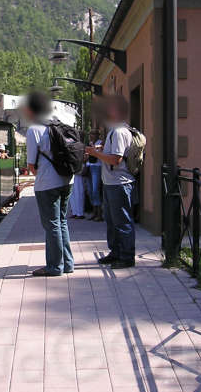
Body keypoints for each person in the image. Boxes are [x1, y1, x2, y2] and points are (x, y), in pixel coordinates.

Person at [25, 91, 74, 276]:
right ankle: (67, 263)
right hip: (68, 180)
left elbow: (31, 165)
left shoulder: (34, 129)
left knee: (52, 224)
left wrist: (43, 175)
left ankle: (54, 266)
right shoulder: (60, 123)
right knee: (62, 222)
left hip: (48, 183)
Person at [86, 95, 136, 269]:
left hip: (119, 183)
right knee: (112, 220)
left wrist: (95, 153)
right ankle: (116, 252)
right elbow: (113, 153)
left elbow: (116, 159)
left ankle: (126, 257)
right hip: (111, 183)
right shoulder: (114, 131)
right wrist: (101, 149)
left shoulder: (120, 132)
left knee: (122, 220)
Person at [86, 129, 104, 221]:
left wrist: (93, 147)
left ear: (97, 135)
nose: (91, 135)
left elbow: (98, 152)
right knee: (90, 190)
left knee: (95, 190)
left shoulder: (100, 143)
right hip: (89, 167)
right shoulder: (90, 143)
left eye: (93, 134)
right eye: (90, 134)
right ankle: (94, 212)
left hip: (97, 168)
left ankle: (99, 213)